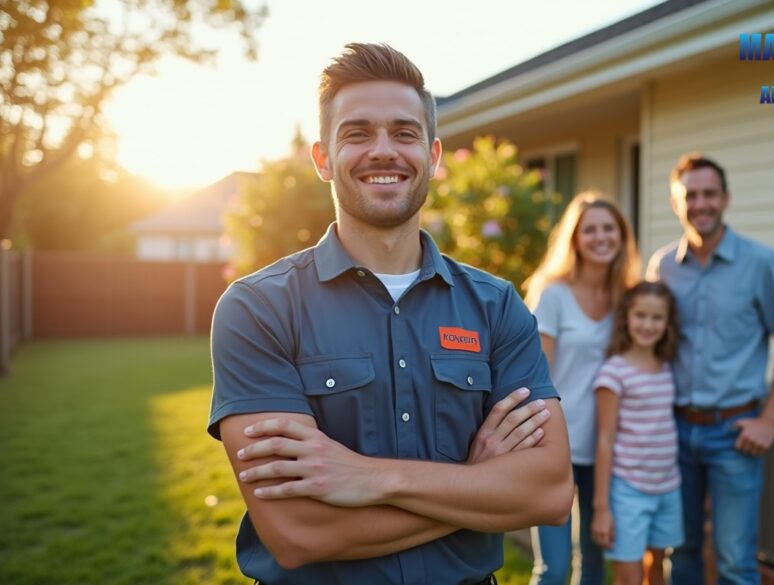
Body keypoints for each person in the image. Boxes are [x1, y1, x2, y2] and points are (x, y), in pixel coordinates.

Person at [208, 43, 574, 585]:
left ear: (433, 154)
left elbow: (547, 491)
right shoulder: (259, 308)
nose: (384, 151)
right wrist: (474, 483)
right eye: (357, 133)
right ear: (322, 159)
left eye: (405, 133)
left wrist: (368, 477)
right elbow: (296, 532)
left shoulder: (496, 306)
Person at [646, 153, 774, 585]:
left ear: (726, 198)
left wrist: (770, 419)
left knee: (735, 560)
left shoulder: (762, 263)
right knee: (683, 551)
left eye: (709, 194)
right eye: (690, 195)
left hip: (735, 433)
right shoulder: (662, 267)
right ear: (676, 204)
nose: (701, 204)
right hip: (672, 431)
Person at [522, 192, 642, 585]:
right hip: (557, 446)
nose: (601, 237)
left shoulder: (629, 298)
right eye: (590, 230)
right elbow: (535, 378)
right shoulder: (553, 294)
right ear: (575, 239)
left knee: (593, 566)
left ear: (622, 237)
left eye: (609, 228)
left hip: (609, 451)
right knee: (553, 570)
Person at [591, 281, 683, 585]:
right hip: (628, 490)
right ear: (626, 319)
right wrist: (602, 508)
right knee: (628, 577)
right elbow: (604, 440)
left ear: (667, 323)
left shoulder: (666, 366)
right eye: (640, 316)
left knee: (656, 569)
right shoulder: (614, 372)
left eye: (657, 318)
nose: (648, 325)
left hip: (668, 486)